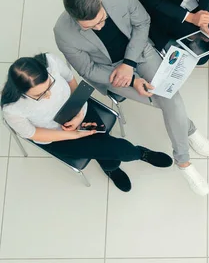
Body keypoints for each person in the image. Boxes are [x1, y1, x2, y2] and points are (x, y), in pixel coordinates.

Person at [53, 0, 209, 196]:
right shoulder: (63, 32)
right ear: (75, 20)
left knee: (169, 99)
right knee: (169, 101)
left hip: (139, 52)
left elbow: (142, 23)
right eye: (89, 27)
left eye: (101, 20)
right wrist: (131, 80)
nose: (99, 27)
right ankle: (188, 130)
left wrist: (129, 64)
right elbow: (88, 70)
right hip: (110, 73)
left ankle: (183, 161)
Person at [1, 53, 173, 192]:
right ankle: (135, 154)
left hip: (75, 108)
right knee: (115, 150)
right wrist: (71, 134)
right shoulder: (12, 108)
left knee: (105, 147)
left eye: (49, 86)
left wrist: (78, 113)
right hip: (55, 136)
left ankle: (112, 166)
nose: (48, 95)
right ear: (20, 92)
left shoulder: (50, 61)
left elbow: (72, 83)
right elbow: (33, 133)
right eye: (39, 95)